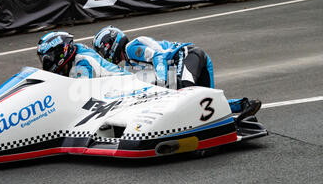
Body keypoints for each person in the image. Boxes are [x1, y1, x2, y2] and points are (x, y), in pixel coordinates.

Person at [93, 26, 261, 121]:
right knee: (204, 104)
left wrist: (163, 80)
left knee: (185, 91)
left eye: (102, 51)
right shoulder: (129, 64)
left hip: (189, 55)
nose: (103, 55)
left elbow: (158, 57)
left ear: (109, 45)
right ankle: (244, 105)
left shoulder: (131, 48)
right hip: (195, 59)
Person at [37, 31, 131, 79]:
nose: (46, 63)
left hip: (124, 86)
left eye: (48, 58)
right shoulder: (73, 52)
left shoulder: (83, 62)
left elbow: (80, 94)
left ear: (60, 52)